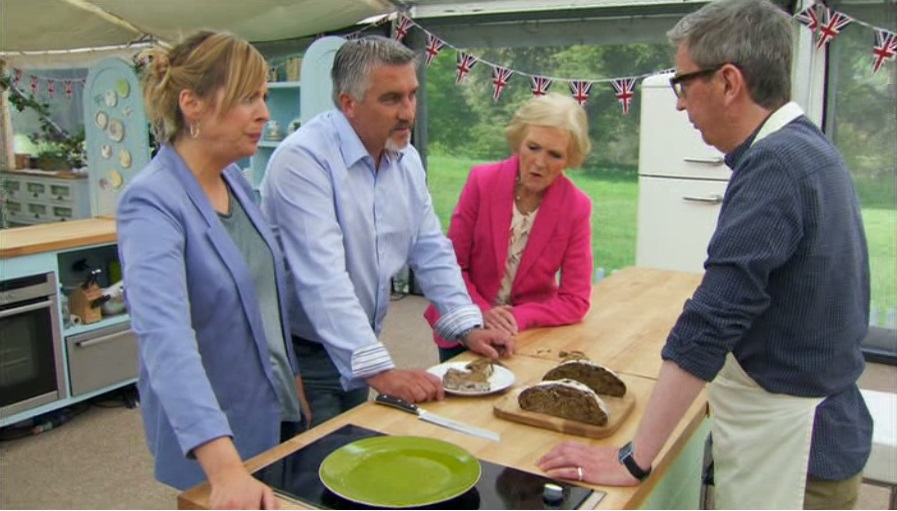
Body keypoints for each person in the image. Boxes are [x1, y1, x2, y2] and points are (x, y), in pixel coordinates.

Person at [536, 1, 872, 509]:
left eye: (683, 83)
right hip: (818, 425)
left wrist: (634, 458)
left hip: (797, 451)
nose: (679, 104)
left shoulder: (775, 165)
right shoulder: (805, 148)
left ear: (729, 82)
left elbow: (713, 319)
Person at [260, 35, 513, 427]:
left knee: (351, 453)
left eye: (412, 95)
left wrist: (468, 325)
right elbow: (323, 278)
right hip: (304, 353)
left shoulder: (405, 158)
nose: (409, 112)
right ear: (348, 103)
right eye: (392, 99)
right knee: (311, 470)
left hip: (360, 339)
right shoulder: (303, 161)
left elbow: (430, 247)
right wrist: (381, 372)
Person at [117, 31, 310, 507]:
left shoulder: (237, 183)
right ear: (192, 104)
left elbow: (265, 299)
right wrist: (224, 469)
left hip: (276, 411)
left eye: (264, 96)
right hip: (218, 438)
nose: (264, 113)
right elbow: (165, 339)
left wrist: (296, 388)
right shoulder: (151, 202)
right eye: (248, 98)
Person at [424, 93, 594, 362]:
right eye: (533, 147)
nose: (539, 162)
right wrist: (482, 311)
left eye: (555, 154)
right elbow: (451, 265)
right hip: (464, 319)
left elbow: (575, 300)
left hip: (526, 334)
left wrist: (515, 317)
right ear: (518, 142)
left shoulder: (577, 207)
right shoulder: (482, 182)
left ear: (570, 158)